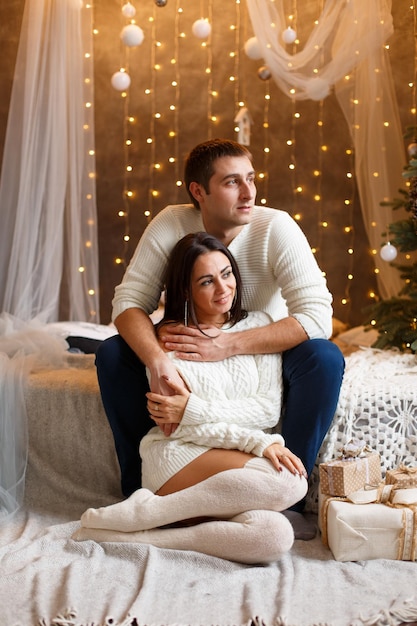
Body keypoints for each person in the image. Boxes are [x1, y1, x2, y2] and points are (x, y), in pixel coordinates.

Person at [96, 138, 345, 530]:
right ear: (199, 192)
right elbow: (128, 303)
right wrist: (158, 361)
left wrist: (227, 345)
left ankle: (288, 497)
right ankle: (137, 490)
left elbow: (317, 316)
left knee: (325, 357)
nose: (249, 193)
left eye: (251, 178)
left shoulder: (276, 227)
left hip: (263, 344)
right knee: (111, 354)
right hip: (188, 343)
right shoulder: (170, 223)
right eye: (232, 182)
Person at [73, 233, 308, 564]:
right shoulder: (169, 340)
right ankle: (152, 509)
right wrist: (257, 443)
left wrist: (195, 410)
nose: (223, 288)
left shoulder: (259, 327)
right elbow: (180, 427)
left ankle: (148, 524)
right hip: (177, 457)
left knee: (275, 536)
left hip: (228, 465)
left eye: (227, 274)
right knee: (289, 482)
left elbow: (266, 411)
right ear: (186, 289)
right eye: (207, 281)